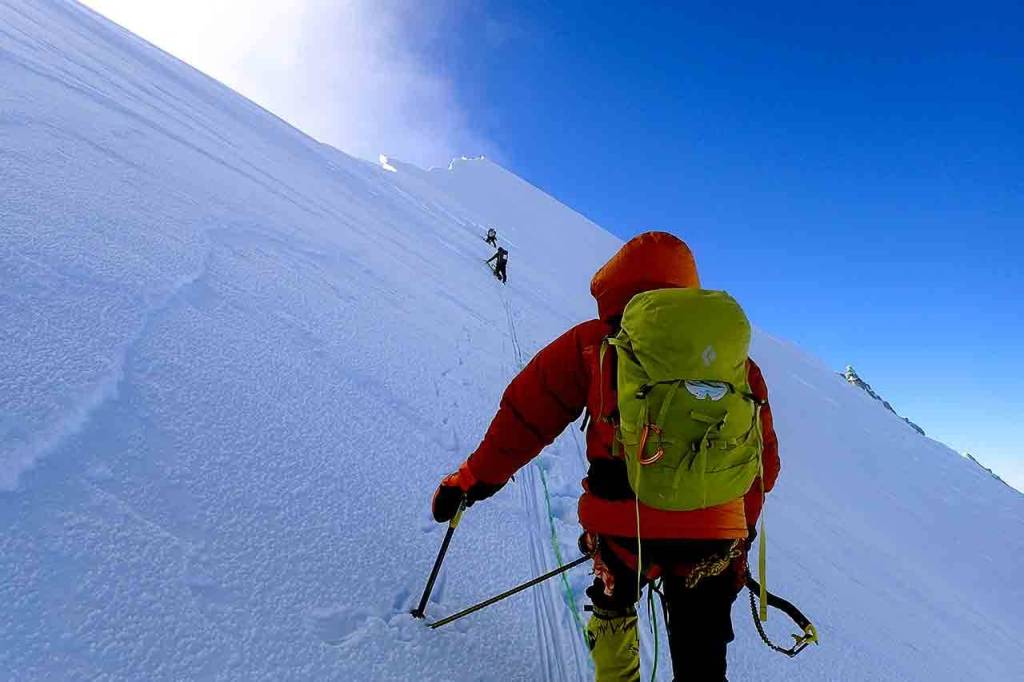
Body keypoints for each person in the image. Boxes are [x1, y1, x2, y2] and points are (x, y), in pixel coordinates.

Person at [432, 231, 780, 681]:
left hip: (623, 527)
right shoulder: (733, 361)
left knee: (614, 608)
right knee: (703, 656)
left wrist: (473, 479)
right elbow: (762, 465)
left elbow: (526, 416)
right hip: (714, 532)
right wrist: (739, 531)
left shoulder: (593, 344)